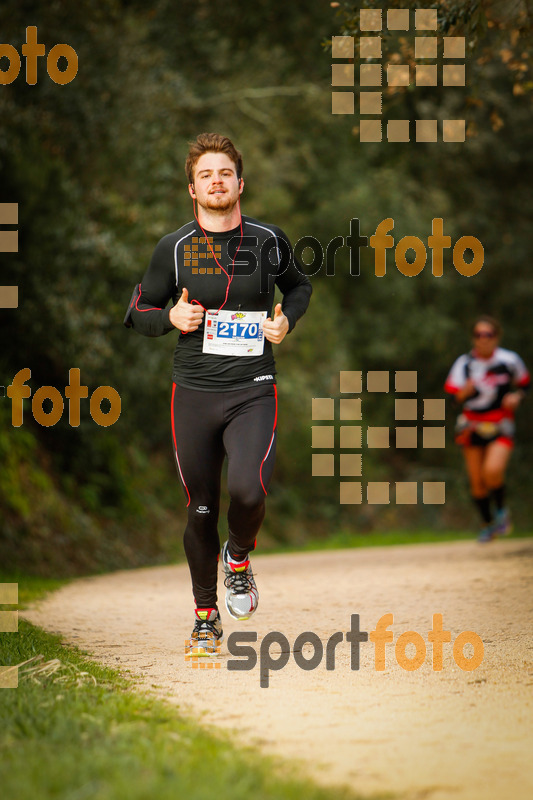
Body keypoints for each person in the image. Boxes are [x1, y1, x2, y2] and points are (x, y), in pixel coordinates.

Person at [124, 133, 311, 654]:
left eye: (225, 173)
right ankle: (205, 618)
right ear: (192, 188)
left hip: (253, 389)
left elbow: (299, 287)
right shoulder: (174, 248)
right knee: (201, 507)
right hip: (194, 393)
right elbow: (136, 311)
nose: (216, 181)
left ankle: (240, 558)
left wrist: (286, 321)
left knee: (249, 491)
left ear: (240, 182)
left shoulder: (270, 241)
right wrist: (169, 318)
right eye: (206, 175)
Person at [444, 316, 529, 542]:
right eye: (478, 335)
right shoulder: (464, 364)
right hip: (472, 424)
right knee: (477, 481)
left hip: (501, 422)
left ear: (496, 337)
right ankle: (487, 524)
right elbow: (452, 399)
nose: (483, 340)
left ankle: (501, 512)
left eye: (488, 335)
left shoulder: (510, 360)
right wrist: (464, 392)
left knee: (492, 471)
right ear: (473, 338)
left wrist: (517, 397)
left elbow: (525, 385)